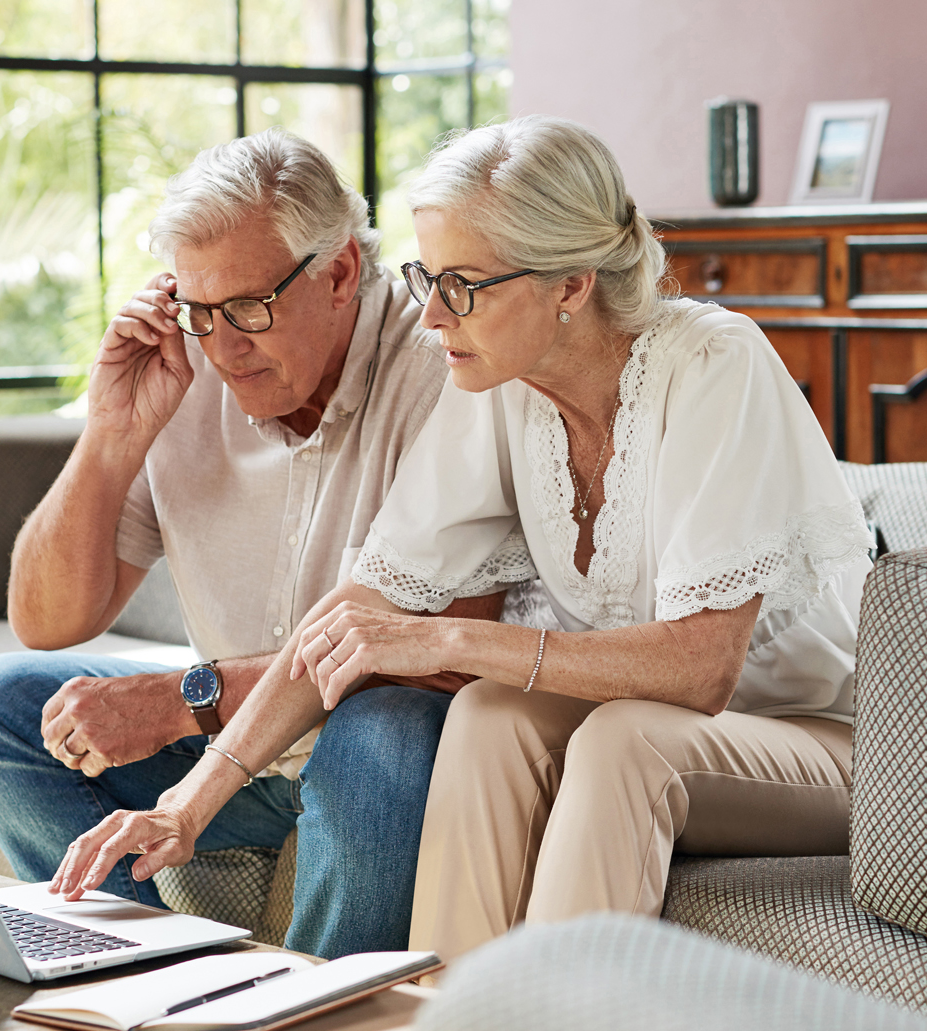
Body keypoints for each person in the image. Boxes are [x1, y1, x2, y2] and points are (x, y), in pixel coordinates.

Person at [46, 116, 874, 964]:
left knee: (623, 743)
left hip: (819, 746)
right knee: (489, 713)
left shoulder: (713, 363)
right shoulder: (499, 385)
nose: (432, 314)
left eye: (464, 286)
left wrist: (446, 637)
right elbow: (359, 613)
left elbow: (702, 671)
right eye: (426, 278)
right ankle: (440, 1019)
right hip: (661, 727)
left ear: (571, 284)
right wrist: (189, 802)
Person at [0, 129, 498, 960]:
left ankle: (301, 1020)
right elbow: (48, 621)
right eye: (201, 311)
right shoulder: (190, 361)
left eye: (248, 307)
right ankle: (136, 981)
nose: (225, 347)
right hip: (240, 752)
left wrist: (183, 700)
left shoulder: (444, 366)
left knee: (388, 724)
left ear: (341, 272)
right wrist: (109, 434)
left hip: (386, 760)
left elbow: (443, 649)